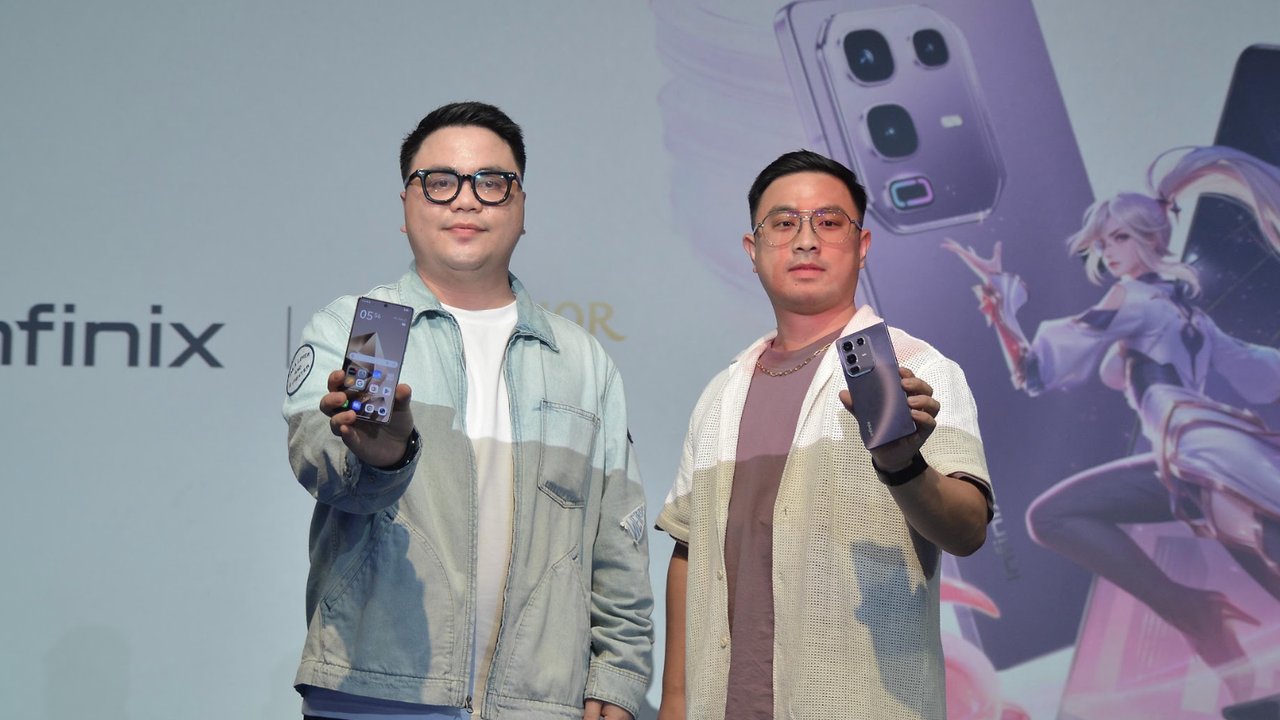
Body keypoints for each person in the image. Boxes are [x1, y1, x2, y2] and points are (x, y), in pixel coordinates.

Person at [282, 101, 653, 720]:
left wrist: (618, 679)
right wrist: (382, 459)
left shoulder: (579, 360)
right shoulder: (369, 327)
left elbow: (618, 539)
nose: (465, 200)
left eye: (491, 183)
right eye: (440, 182)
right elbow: (320, 464)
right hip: (378, 691)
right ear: (407, 205)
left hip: (539, 703)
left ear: (521, 206)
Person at [656, 150, 993, 720]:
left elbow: (968, 531)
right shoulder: (720, 394)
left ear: (862, 246)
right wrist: (674, 700)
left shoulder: (920, 369)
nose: (806, 241)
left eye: (829, 222)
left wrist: (904, 466)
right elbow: (689, 550)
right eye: (784, 223)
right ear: (753, 250)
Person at [944, 145, 1280, 697]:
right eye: (1102, 243)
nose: (1108, 252)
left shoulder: (1134, 301)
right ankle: (1205, 629)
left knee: (1055, 517)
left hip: (1198, 455)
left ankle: (1193, 613)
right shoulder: (1187, 313)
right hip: (1197, 455)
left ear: (1151, 239)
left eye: (1119, 238)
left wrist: (1002, 306)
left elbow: (1035, 372)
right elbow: (1259, 372)